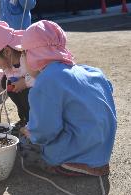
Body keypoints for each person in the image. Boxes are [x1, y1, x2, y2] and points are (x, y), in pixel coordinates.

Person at [19, 20, 117, 176]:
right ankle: (94, 160)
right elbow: (107, 90)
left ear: (32, 55)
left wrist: (29, 132)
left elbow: (45, 132)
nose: (21, 60)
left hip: (76, 150)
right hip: (103, 150)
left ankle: (68, 162)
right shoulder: (91, 71)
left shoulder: (46, 81)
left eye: (23, 53)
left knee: (23, 144)